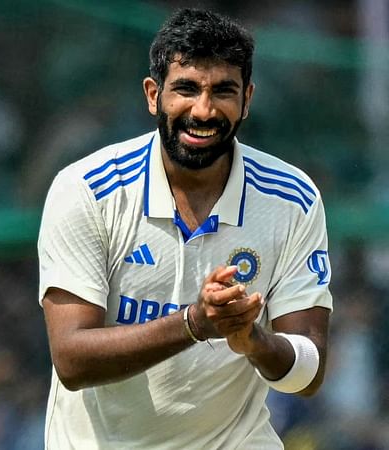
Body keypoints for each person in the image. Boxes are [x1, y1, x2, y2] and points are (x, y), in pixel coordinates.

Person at [37, 8, 332, 449]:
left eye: (223, 92)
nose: (204, 110)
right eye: (187, 89)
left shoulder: (292, 199)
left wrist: (253, 340)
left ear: (247, 100)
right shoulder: (87, 190)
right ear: (153, 95)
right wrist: (195, 322)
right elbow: (72, 360)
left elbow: (308, 373)